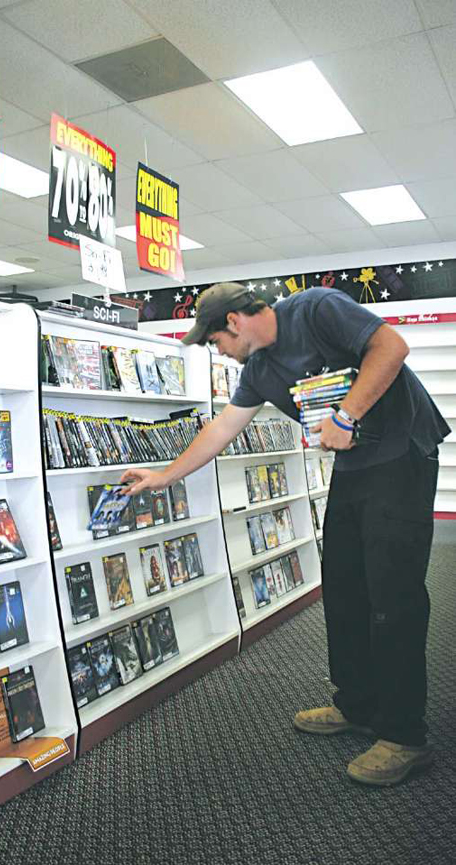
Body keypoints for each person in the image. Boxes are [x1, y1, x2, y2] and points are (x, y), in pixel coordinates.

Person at [121, 282, 449, 787]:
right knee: (343, 585)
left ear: (233, 322)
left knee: (392, 594)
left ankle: (405, 735)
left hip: (404, 451)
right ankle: (357, 703)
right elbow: (222, 428)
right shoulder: (258, 371)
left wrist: (345, 414)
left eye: (214, 342)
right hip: (357, 462)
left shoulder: (315, 308)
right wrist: (164, 476)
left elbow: (391, 347)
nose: (220, 354)